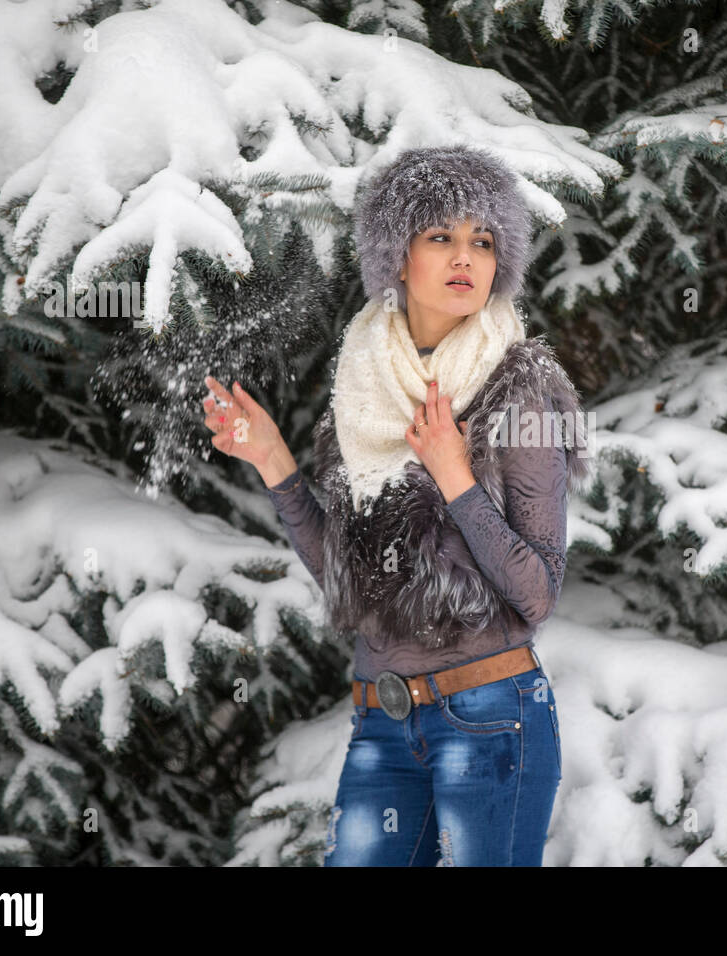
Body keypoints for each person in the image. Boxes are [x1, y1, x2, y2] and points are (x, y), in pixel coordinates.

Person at [199, 144, 590, 866]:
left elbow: (537, 594)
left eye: (482, 239)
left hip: (492, 716)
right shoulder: (363, 393)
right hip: (382, 719)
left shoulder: (520, 392)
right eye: (440, 235)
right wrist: (274, 462)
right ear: (396, 256)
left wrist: (454, 477)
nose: (464, 256)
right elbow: (354, 587)